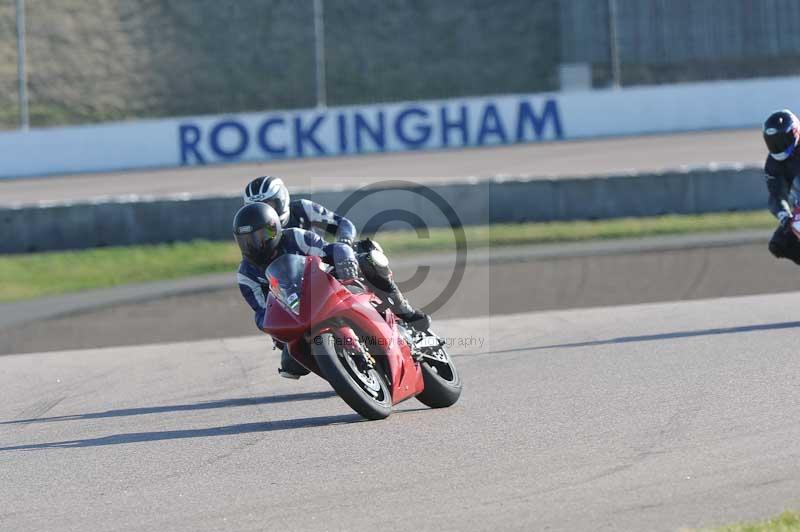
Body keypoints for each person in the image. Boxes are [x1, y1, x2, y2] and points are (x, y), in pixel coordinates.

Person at [233, 202, 430, 379]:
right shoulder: (246, 274)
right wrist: (272, 326)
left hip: (327, 285)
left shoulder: (294, 236)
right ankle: (342, 371)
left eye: (259, 236)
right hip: (296, 314)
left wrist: (345, 263)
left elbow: (331, 249)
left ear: (274, 229)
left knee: (369, 258)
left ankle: (404, 310)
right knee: (290, 362)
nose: (254, 244)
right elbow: (260, 313)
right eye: (246, 240)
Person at [243, 176, 357, 247]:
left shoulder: (302, 208)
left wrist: (345, 241)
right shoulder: (251, 232)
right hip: (285, 280)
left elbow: (342, 224)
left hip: (322, 267)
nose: (263, 212)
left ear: (281, 199)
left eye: (268, 205)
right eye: (257, 208)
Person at [763, 109, 800, 265]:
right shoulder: (773, 164)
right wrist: (785, 218)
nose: (778, 146)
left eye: (782, 140)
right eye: (773, 142)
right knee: (779, 244)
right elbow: (776, 196)